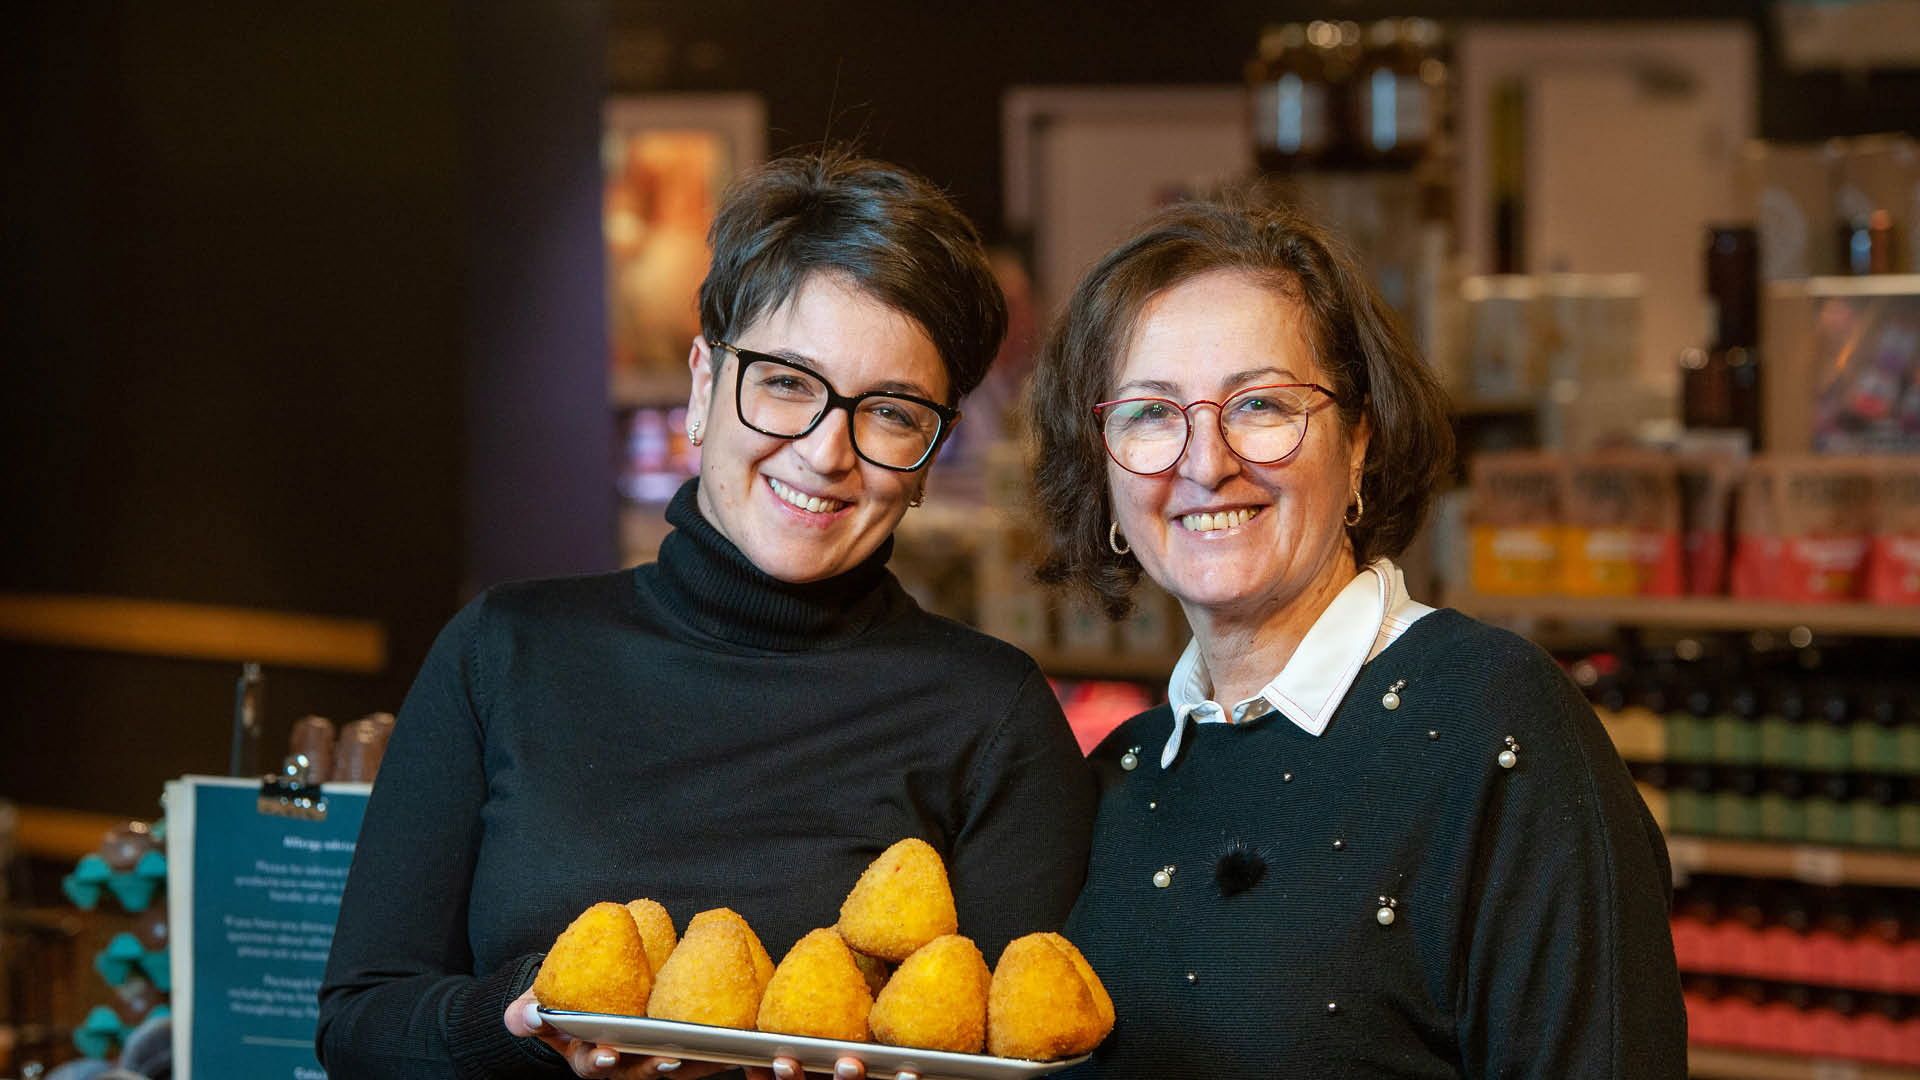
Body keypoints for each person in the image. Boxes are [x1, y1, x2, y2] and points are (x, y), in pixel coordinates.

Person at [317, 151, 1096, 1080]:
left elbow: (1028, 1050)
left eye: (889, 412)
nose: (824, 452)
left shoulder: (991, 714)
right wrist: (524, 1019)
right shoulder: (506, 652)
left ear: (929, 456)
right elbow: (359, 1024)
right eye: (786, 383)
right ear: (702, 384)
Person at [1024, 198, 1686, 1077]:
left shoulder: (1495, 725)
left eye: (1260, 403)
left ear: (1360, 441)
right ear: (1102, 466)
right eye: (1149, 412)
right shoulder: (1123, 777)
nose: (1204, 460)